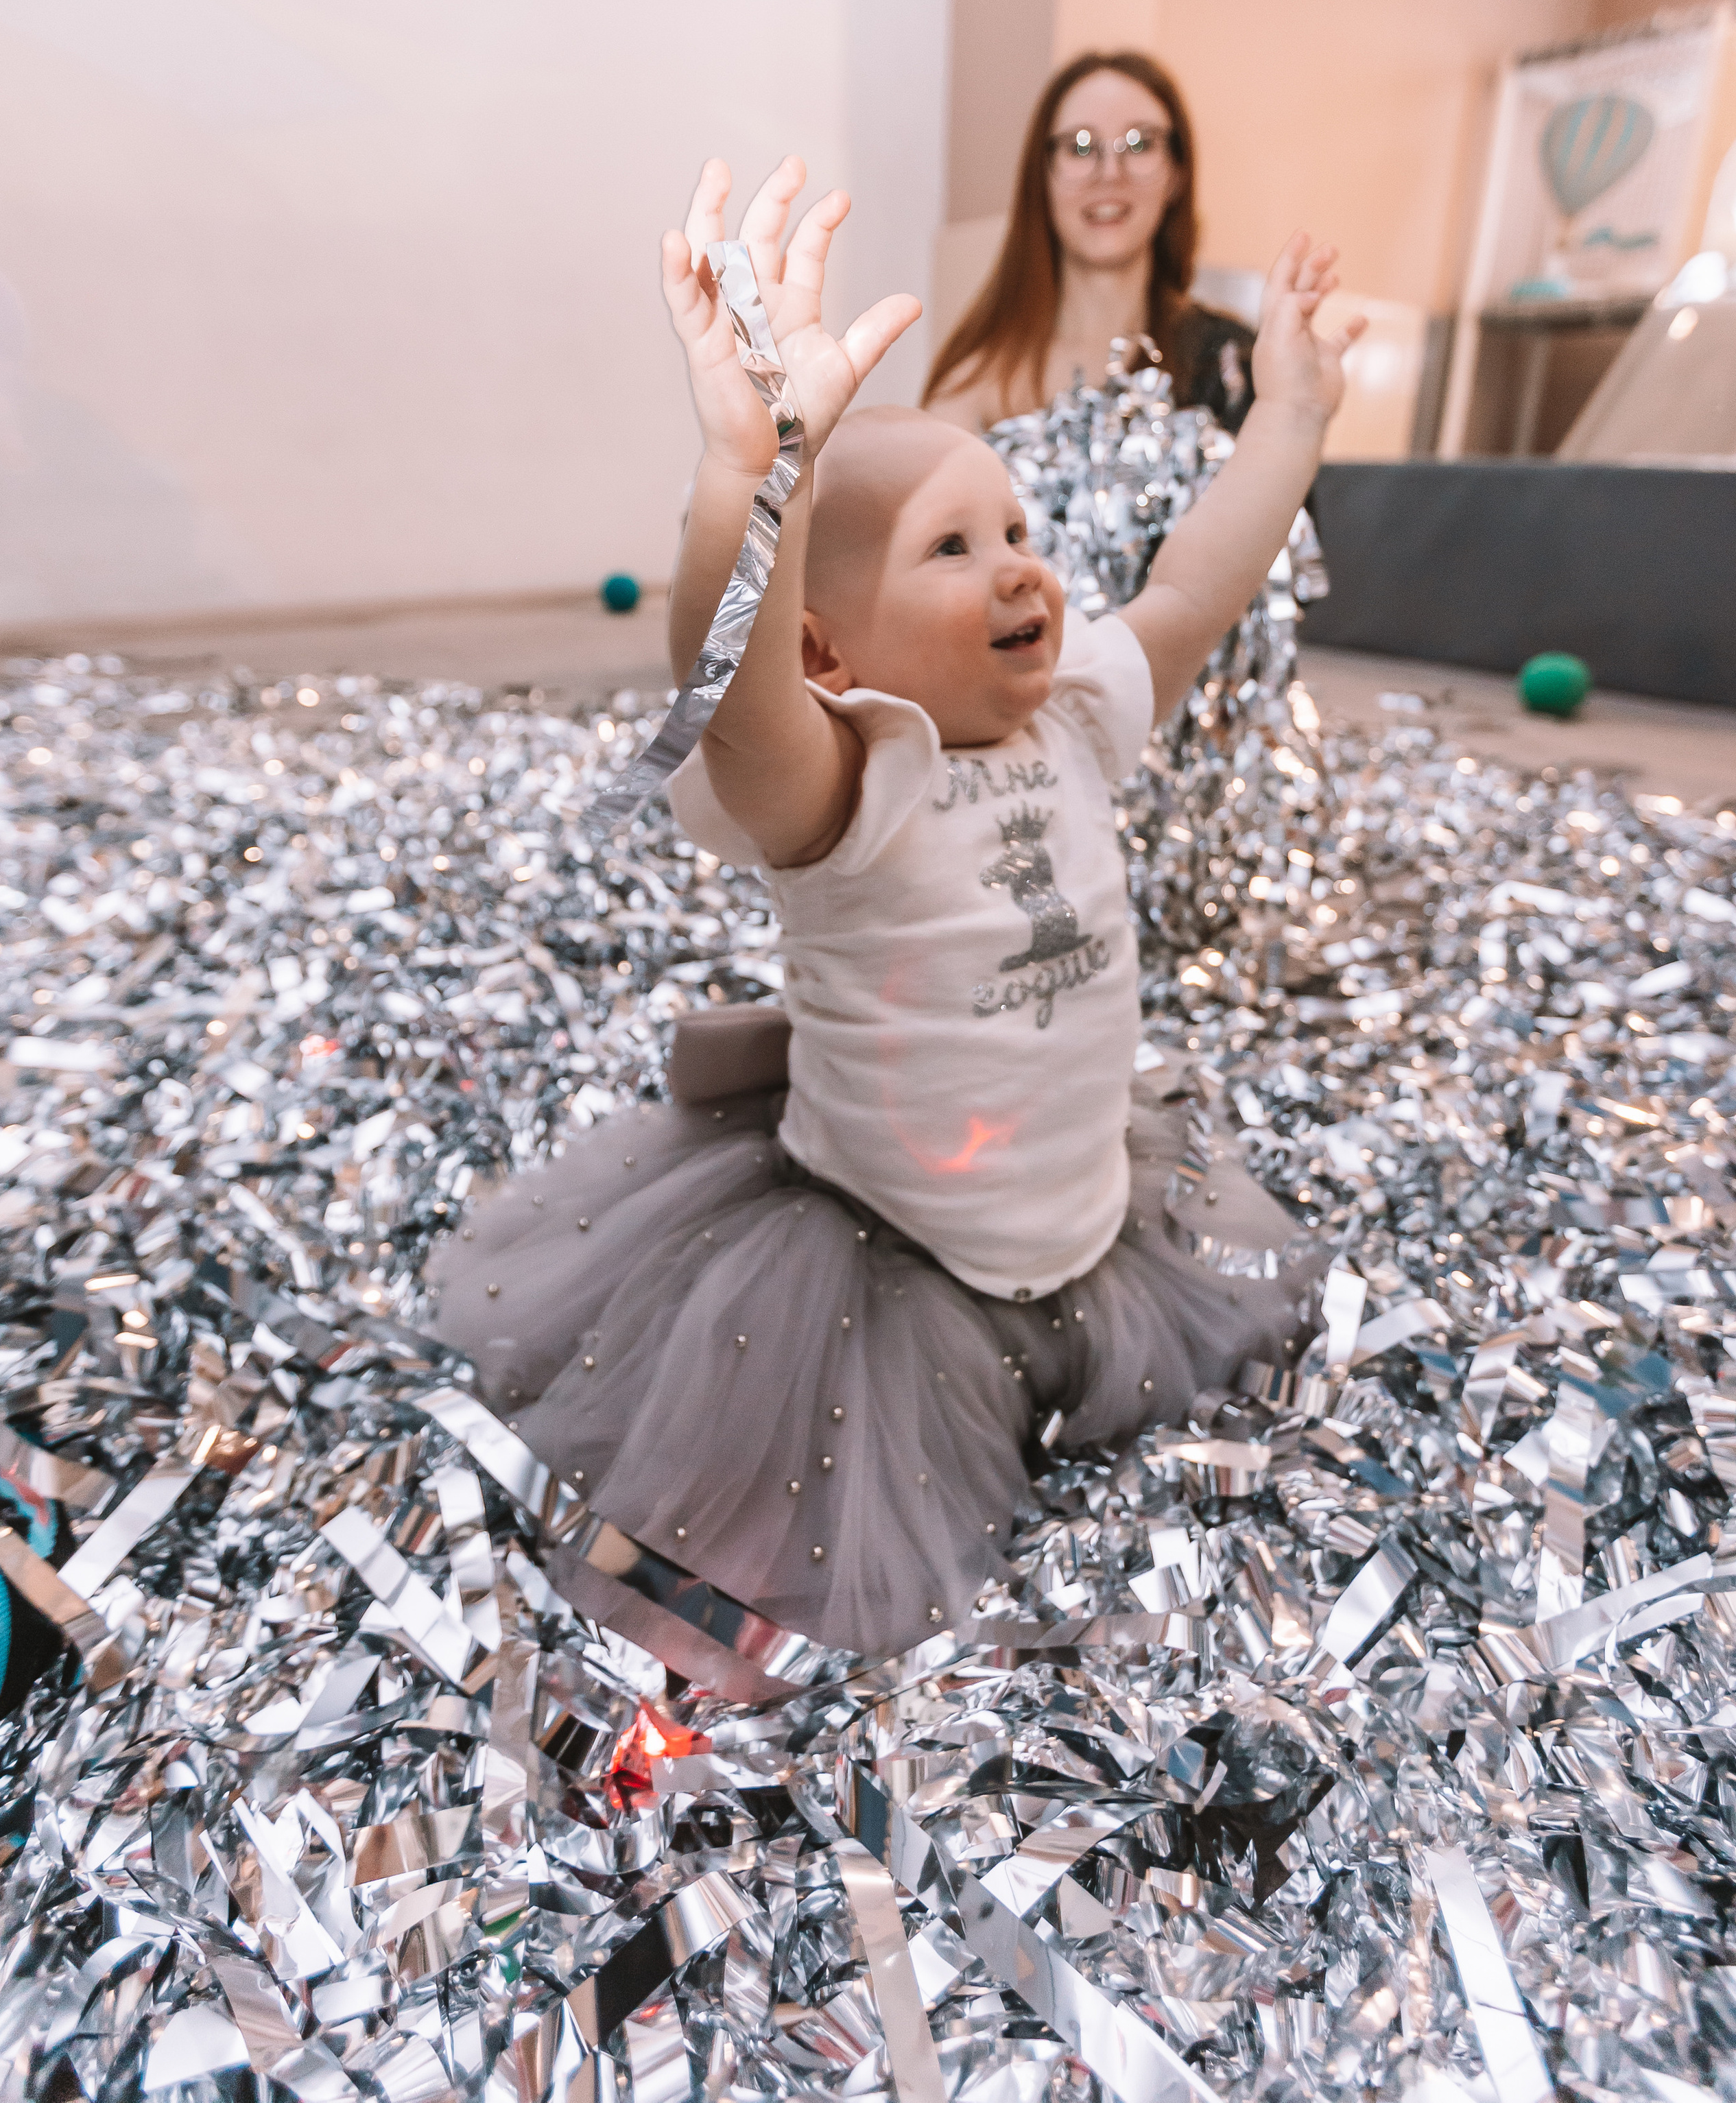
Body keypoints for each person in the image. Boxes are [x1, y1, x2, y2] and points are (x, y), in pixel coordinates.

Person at [431, 157, 1359, 1657]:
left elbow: (1189, 593)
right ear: (823, 645)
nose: (1018, 571)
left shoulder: (1066, 718)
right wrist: (756, 476)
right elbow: (726, 694)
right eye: (952, 546)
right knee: (806, 1504)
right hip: (884, 1252)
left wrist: (1293, 422)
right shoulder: (845, 781)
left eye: (1014, 532)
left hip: (1079, 1202)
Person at [923, 49, 1256, 435]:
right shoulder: (975, 383)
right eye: (1080, 147)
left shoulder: (1229, 363)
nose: (1111, 174)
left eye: (1141, 144)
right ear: (1042, 176)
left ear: (1176, 175)